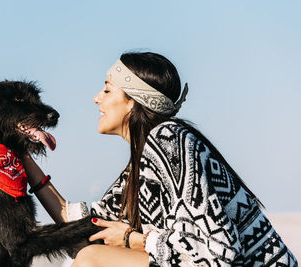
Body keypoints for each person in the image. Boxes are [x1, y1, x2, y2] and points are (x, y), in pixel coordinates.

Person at [22, 52, 298, 266]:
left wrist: (134, 239)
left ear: (133, 101)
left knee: (92, 261)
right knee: (91, 255)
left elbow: (216, 254)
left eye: (107, 90)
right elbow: (83, 230)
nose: (96, 98)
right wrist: (21, 155)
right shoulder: (145, 163)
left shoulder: (170, 141)